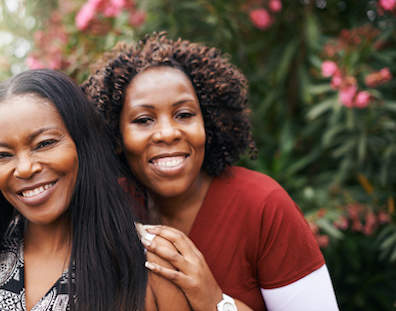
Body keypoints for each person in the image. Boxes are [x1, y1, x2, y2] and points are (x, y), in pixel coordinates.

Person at [81, 32, 340, 311]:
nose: (168, 133)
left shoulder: (263, 204)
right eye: (144, 120)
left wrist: (214, 301)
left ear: (209, 123)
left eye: (184, 114)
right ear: (116, 138)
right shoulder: (111, 208)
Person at [0, 69, 191, 311]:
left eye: (45, 143)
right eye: (3, 155)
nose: (25, 169)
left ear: (84, 145)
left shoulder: (153, 262)